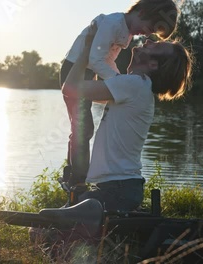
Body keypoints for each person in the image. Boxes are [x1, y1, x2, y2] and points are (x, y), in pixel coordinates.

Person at [62, 22, 193, 212]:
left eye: (154, 45)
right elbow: (100, 88)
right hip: (120, 189)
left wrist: (86, 51)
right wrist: (106, 52)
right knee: (62, 222)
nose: (148, 40)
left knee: (45, 230)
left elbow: (71, 89)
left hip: (117, 191)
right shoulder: (136, 86)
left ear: (153, 64)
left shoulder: (134, 85)